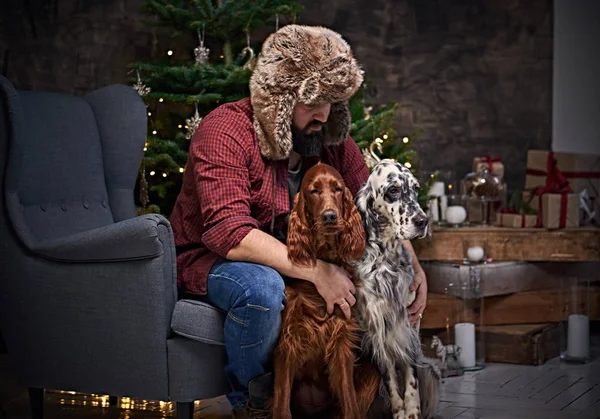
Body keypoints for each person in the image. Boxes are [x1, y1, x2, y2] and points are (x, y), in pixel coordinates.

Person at [169, 24, 428, 418]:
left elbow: (371, 203)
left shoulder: (328, 137)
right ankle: (254, 405)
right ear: (279, 99)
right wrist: (319, 272)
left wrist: (413, 266)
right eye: (312, 101)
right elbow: (231, 234)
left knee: (369, 272)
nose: (322, 114)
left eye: (331, 102)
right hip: (212, 260)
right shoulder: (225, 131)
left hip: (293, 256)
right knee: (262, 286)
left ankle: (355, 391)